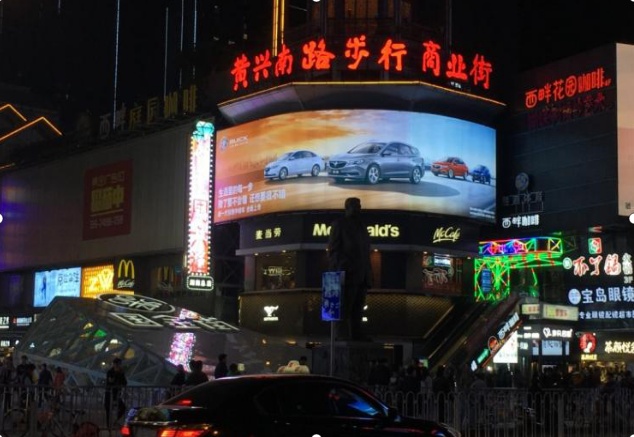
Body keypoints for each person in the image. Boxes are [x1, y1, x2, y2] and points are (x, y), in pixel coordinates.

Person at [327, 197, 372, 340]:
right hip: (347, 274)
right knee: (344, 307)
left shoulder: (362, 226)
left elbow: (365, 252)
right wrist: (342, 268)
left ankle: (357, 333)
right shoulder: (339, 224)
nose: (359, 208)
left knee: (358, 308)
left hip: (362, 275)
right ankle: (341, 335)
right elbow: (334, 250)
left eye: (359, 206)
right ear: (347, 208)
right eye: (355, 206)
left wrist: (368, 273)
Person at [104, 358, 127, 427]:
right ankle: (109, 425)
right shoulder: (110, 372)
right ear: (114, 364)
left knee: (123, 407)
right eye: (117, 364)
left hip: (116, 394)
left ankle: (114, 421)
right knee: (108, 409)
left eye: (119, 364)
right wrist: (117, 374)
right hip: (109, 393)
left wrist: (121, 374)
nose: (118, 366)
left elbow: (125, 383)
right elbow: (110, 382)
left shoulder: (121, 372)